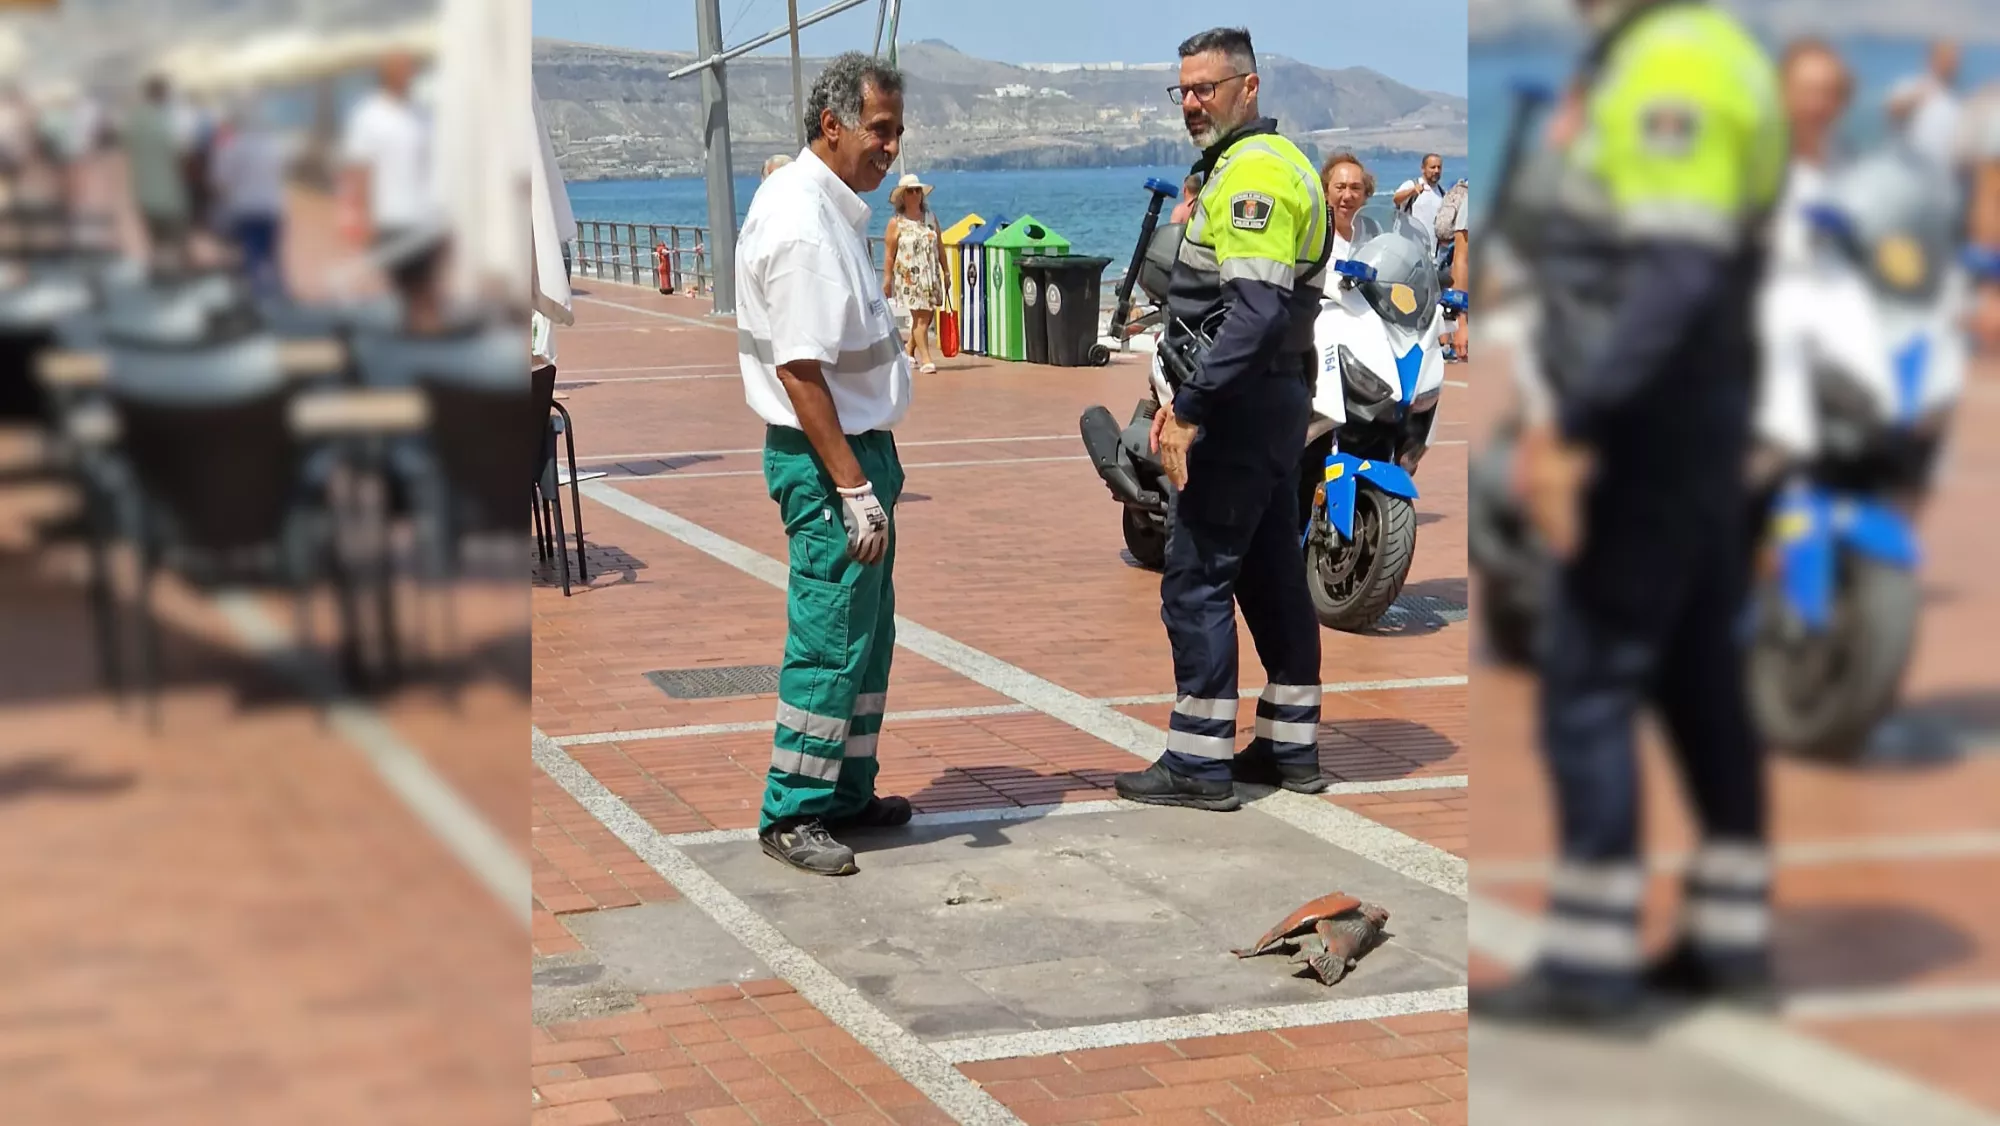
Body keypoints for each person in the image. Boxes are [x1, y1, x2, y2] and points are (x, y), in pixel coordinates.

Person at [1471, 0, 1785, 1026]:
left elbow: (1674, 272)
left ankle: (1590, 962)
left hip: (1643, 434)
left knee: (1588, 680)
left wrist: (1579, 425)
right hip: (1700, 425)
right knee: (1698, 680)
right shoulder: (1712, 50)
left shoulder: (1668, 64)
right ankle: (1730, 936)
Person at [1112, 26, 1332, 811]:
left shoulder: (1257, 174)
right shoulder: (1244, 166)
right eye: (1185, 90)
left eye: (1207, 87)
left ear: (1250, 87)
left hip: (1238, 410)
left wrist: (1193, 409)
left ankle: (1198, 764)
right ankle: (1288, 746)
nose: (1193, 103)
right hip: (1274, 405)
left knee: (1195, 577)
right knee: (1272, 571)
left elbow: (1256, 311)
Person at [735, 52, 915, 876]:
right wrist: (852, 487)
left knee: (866, 640)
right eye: (879, 130)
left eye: (897, 131)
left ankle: (845, 791)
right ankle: (794, 811)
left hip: (857, 448)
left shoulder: (824, 208)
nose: (891, 148)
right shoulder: (805, 224)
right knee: (831, 637)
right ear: (832, 125)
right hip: (828, 457)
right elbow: (800, 373)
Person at [340, 50, 441, 330]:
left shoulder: (422, 115)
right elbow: (359, 171)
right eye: (400, 68)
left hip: (424, 218)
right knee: (399, 292)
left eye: (409, 68)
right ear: (384, 73)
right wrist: (358, 217)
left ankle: (423, 348)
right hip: (388, 218)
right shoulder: (368, 116)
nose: (407, 74)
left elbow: (433, 165)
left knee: (425, 291)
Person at [207, 98, 291, 297]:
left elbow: (219, 179)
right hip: (272, 207)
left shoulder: (232, 145)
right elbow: (282, 172)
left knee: (251, 255)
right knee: (273, 256)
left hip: (245, 208)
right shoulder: (274, 144)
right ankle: (280, 295)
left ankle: (256, 298)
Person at [883, 172, 949, 374]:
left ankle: (908, 351)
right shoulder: (897, 222)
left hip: (930, 275)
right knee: (920, 319)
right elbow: (889, 254)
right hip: (910, 278)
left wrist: (946, 271)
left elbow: (939, 244)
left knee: (926, 317)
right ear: (903, 196)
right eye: (910, 191)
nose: (914, 194)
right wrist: (887, 279)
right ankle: (927, 359)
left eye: (917, 190)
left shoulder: (930, 218)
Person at [126, 75, 194, 271]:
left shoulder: (135, 120)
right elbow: (179, 154)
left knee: (155, 240)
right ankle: (178, 277)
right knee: (176, 239)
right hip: (169, 193)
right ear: (161, 94)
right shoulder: (165, 121)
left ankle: (159, 274)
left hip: (143, 190)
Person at [1886, 39, 1961, 171]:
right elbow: (1892, 112)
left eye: (1953, 60)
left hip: (1944, 174)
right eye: (1946, 58)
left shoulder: (1954, 101)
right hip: (1911, 170)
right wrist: (1915, 98)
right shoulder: (1911, 84)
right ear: (1931, 58)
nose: (1950, 64)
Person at [1319, 150, 1374, 261]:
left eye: (1355, 188)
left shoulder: (1374, 232)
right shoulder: (1315, 237)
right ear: (1326, 192)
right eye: (1340, 187)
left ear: (1365, 194)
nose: (1347, 196)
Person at [1393, 153, 1446, 240]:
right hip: (1410, 245)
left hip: (1431, 249)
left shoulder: (1442, 193)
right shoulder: (1412, 184)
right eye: (1432, 167)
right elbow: (1396, 199)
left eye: (1439, 167)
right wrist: (1412, 191)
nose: (1436, 171)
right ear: (1423, 169)